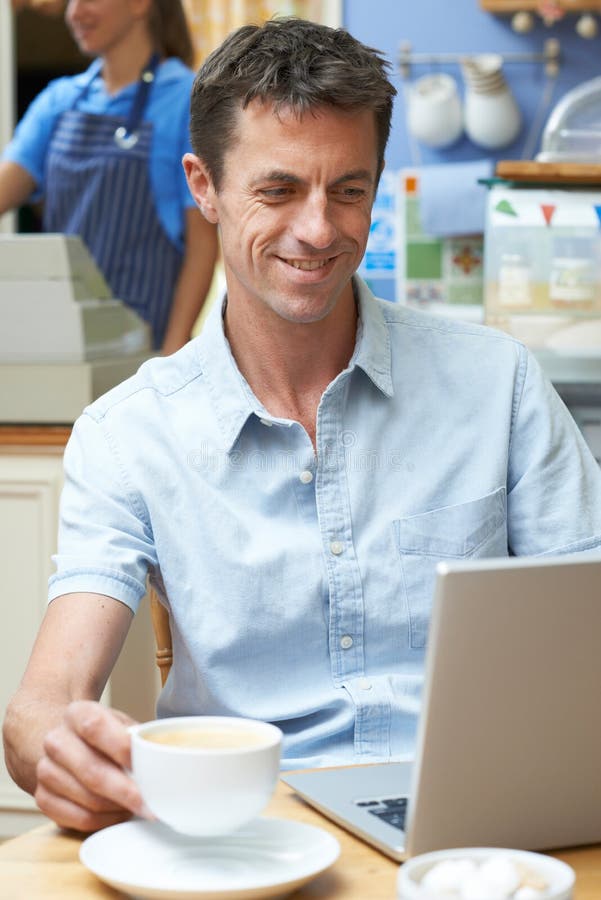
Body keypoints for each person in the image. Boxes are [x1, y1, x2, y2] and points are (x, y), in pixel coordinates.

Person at [4, 17, 601, 834]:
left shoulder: (497, 386)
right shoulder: (127, 434)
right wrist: (56, 749)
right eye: (277, 190)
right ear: (204, 185)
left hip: (480, 825)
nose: (319, 230)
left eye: (348, 190)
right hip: (244, 834)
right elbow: (42, 709)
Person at [0, 0, 218, 353]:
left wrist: (172, 350)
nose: (74, 13)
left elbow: (202, 244)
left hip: (144, 344)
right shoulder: (59, 101)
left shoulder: (186, 101)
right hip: (60, 344)